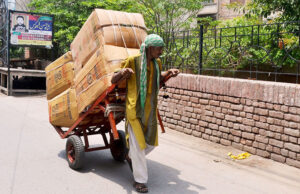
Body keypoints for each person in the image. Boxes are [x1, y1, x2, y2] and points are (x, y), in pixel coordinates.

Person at [111, 34, 180, 193]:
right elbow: (113, 80)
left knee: (150, 143)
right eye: (159, 48)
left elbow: (157, 77)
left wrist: (169, 72)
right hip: (134, 108)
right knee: (139, 146)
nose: (162, 51)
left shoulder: (157, 63)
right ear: (150, 48)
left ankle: (132, 156)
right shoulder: (133, 60)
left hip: (149, 109)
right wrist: (123, 72)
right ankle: (139, 181)